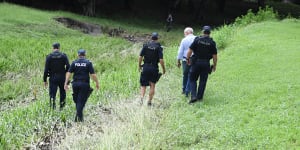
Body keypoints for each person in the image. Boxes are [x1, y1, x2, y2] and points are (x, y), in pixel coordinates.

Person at [64, 49, 99, 122]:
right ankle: (79, 119)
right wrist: (97, 82)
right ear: (85, 55)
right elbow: (92, 75)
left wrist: (66, 83)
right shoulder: (88, 63)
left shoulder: (74, 63)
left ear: (78, 55)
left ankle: (79, 118)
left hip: (75, 84)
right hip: (84, 84)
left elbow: (69, 74)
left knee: (77, 101)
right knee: (81, 101)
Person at [186, 26, 218, 104]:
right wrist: (214, 65)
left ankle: (193, 96)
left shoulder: (197, 40)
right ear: (210, 33)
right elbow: (214, 56)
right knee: (203, 81)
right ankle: (199, 98)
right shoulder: (212, 42)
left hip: (196, 63)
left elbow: (190, 50)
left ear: (202, 32)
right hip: (206, 63)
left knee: (192, 79)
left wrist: (188, 58)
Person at [138, 32, 166, 106]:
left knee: (143, 85)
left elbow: (140, 56)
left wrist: (139, 65)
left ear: (151, 38)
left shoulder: (146, 45)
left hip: (146, 67)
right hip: (154, 67)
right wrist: (163, 69)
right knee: (152, 85)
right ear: (157, 38)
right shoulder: (159, 47)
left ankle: (141, 99)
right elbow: (161, 60)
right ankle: (149, 102)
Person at [43, 42, 70, 110]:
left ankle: (53, 108)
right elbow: (68, 67)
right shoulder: (63, 55)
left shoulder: (49, 56)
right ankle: (62, 108)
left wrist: (45, 80)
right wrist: (66, 73)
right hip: (62, 77)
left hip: (53, 77)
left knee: (52, 94)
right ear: (59, 47)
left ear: (53, 48)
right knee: (63, 93)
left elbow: (46, 69)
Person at [177, 27, 196, 97]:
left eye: (184, 33)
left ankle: (184, 89)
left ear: (186, 33)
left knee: (186, 74)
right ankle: (190, 89)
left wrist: (178, 61)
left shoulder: (184, 40)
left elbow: (180, 51)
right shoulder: (196, 39)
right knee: (193, 74)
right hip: (195, 60)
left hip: (185, 60)